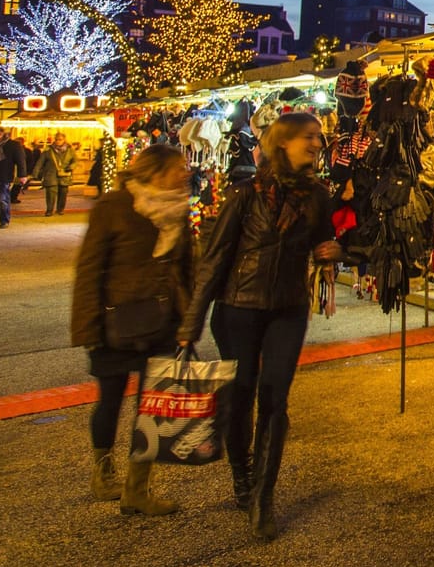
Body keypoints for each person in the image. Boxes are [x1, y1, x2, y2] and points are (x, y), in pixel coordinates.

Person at [179, 113, 341, 541]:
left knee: (275, 399)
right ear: (282, 143)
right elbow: (214, 260)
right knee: (240, 396)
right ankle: (242, 476)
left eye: (318, 138)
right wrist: (190, 324)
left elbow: (323, 241)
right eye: (309, 137)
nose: (317, 144)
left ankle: (263, 498)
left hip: (288, 307)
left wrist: (332, 251)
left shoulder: (318, 196)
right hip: (238, 308)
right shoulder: (246, 194)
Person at [69, 144, 195, 515]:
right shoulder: (115, 206)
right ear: (155, 170)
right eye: (178, 167)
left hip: (162, 322)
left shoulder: (180, 210)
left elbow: (185, 270)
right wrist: (87, 327)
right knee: (109, 400)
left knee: (152, 407)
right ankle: (103, 472)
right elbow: (90, 268)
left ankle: (136, 489)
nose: (185, 173)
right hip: (116, 323)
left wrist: (188, 320)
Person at [39, 134, 77, 215]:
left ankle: (60, 209)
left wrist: (71, 167)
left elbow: (75, 161)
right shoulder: (48, 150)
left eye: (60, 139)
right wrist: (34, 174)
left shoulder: (70, 150)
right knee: (50, 193)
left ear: (64, 140)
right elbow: (40, 162)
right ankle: (49, 210)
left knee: (63, 193)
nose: (58, 141)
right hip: (51, 174)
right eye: (56, 139)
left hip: (64, 175)